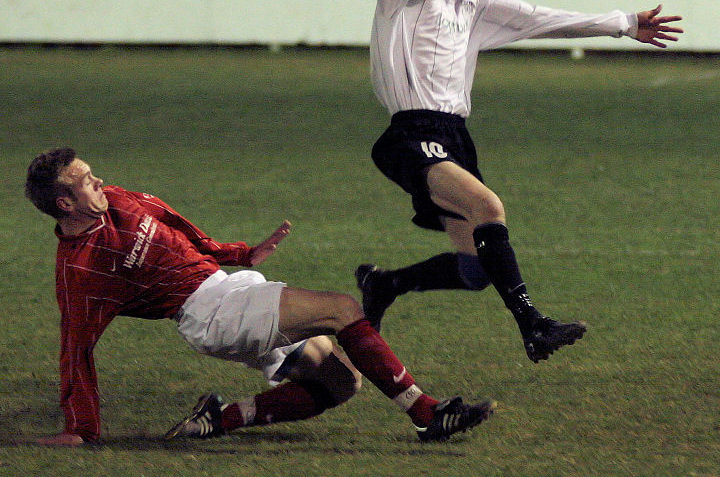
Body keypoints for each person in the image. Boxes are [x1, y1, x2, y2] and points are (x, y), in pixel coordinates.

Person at [357, 0, 683, 362]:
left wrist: (624, 24)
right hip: (411, 134)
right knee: (488, 207)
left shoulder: (473, 0)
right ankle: (533, 325)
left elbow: (539, 19)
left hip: (454, 136)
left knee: (476, 269)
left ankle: (385, 283)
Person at [25, 147, 496, 446]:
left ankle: (219, 419)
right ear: (64, 203)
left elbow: (182, 231)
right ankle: (428, 416)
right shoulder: (80, 269)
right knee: (342, 309)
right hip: (209, 316)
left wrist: (241, 254)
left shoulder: (123, 200)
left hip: (229, 290)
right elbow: (76, 349)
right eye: (86, 180)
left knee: (340, 384)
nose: (98, 181)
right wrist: (82, 430)